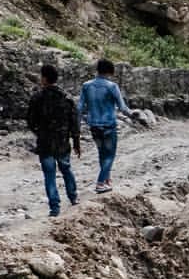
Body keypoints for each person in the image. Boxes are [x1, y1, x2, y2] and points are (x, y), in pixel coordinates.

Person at [27, 63, 81, 218]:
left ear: (44, 78)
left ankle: (54, 208)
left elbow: (30, 121)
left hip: (45, 142)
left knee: (49, 175)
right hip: (63, 141)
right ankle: (73, 197)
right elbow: (74, 122)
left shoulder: (37, 98)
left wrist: (39, 132)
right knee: (66, 169)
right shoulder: (67, 98)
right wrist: (76, 142)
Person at [79, 58, 132, 194]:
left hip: (93, 125)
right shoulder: (112, 86)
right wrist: (133, 115)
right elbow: (122, 107)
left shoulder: (86, 85)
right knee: (110, 156)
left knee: (102, 154)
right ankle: (100, 183)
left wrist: (77, 125)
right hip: (108, 125)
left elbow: (79, 108)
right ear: (110, 71)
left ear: (97, 69)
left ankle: (107, 180)